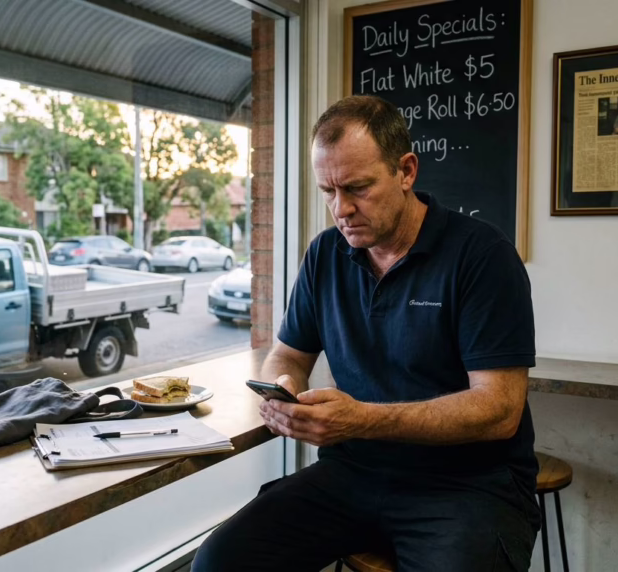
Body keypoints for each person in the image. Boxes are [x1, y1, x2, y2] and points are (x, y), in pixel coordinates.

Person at [192, 95, 540, 572]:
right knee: (219, 562)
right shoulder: (325, 255)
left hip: (467, 484)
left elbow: (500, 410)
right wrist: (284, 393)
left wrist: (362, 420)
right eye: (328, 191)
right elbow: (287, 355)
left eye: (358, 187)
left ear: (406, 171)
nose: (342, 209)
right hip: (352, 473)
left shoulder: (482, 256)